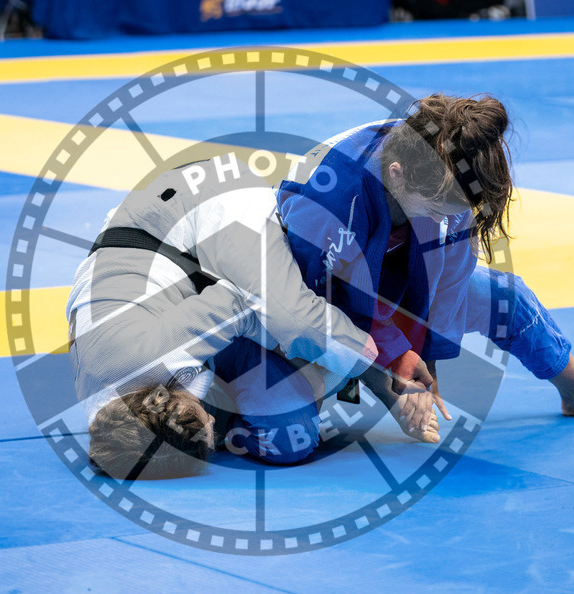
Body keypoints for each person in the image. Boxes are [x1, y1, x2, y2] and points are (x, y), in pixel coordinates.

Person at [276, 94, 574, 424]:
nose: (447, 219)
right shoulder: (329, 199)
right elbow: (330, 307)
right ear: (395, 175)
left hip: (393, 276)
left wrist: (430, 360)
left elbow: (451, 276)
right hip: (302, 296)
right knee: (287, 430)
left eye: (455, 210)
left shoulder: (448, 159)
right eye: (437, 210)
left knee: (505, 296)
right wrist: (395, 376)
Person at [67, 154, 442, 481]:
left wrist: (372, 367)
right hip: (173, 297)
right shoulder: (112, 423)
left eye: (203, 422)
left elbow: (242, 303)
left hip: (203, 203)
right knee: (290, 436)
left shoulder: (154, 355)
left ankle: (380, 374)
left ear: (167, 398)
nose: (210, 424)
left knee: (301, 324)